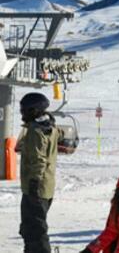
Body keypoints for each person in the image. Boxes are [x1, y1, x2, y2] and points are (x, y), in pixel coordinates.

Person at [17, 92, 63, 253]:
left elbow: (39, 160)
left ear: (34, 110)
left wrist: (34, 184)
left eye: (24, 110)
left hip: (36, 187)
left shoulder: (36, 131)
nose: (22, 114)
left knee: (34, 228)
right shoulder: (50, 126)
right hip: (45, 187)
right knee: (30, 226)